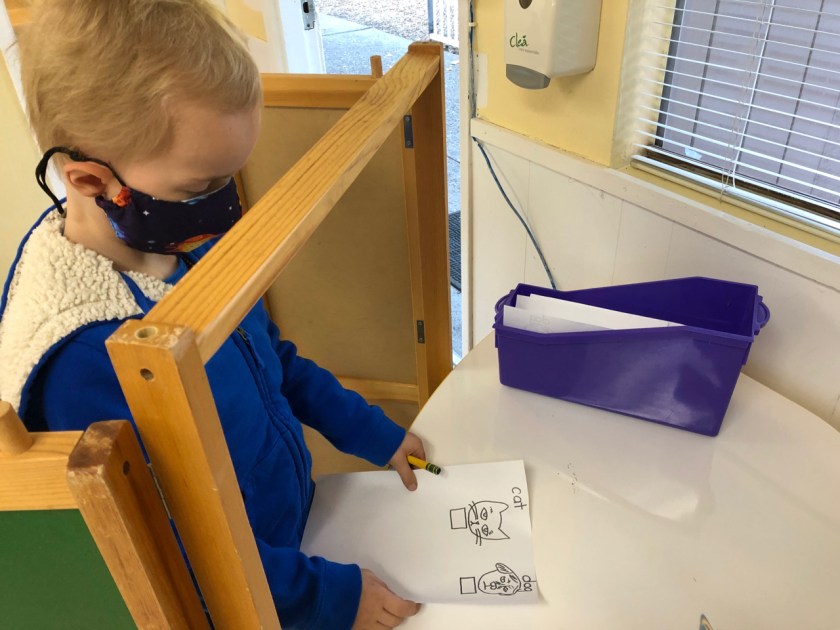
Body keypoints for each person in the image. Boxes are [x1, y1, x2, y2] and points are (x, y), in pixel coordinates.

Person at [0, 1, 423, 628]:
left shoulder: (186, 243)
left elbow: (273, 360)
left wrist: (372, 432)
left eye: (231, 179)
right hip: (247, 599)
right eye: (200, 188)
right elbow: (180, 544)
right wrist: (326, 598)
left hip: (290, 534)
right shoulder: (84, 361)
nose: (224, 207)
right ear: (91, 182)